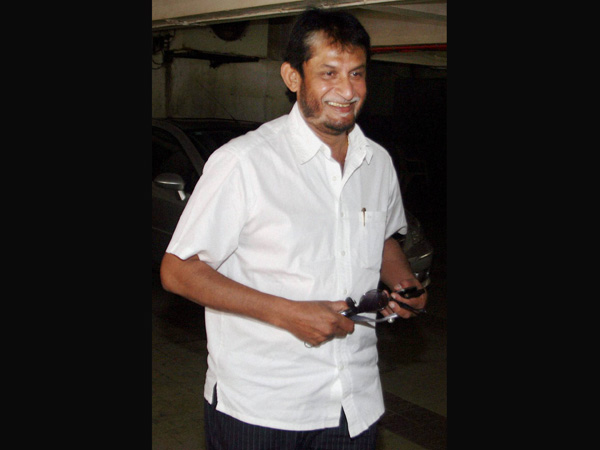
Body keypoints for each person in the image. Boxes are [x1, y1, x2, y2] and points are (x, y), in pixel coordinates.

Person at [160, 7, 427, 450]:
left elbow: (381, 237)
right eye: (329, 73)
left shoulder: (376, 162)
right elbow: (177, 270)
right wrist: (287, 313)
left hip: (353, 401)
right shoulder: (244, 162)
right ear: (292, 77)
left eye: (357, 73)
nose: (347, 90)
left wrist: (402, 283)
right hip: (263, 406)